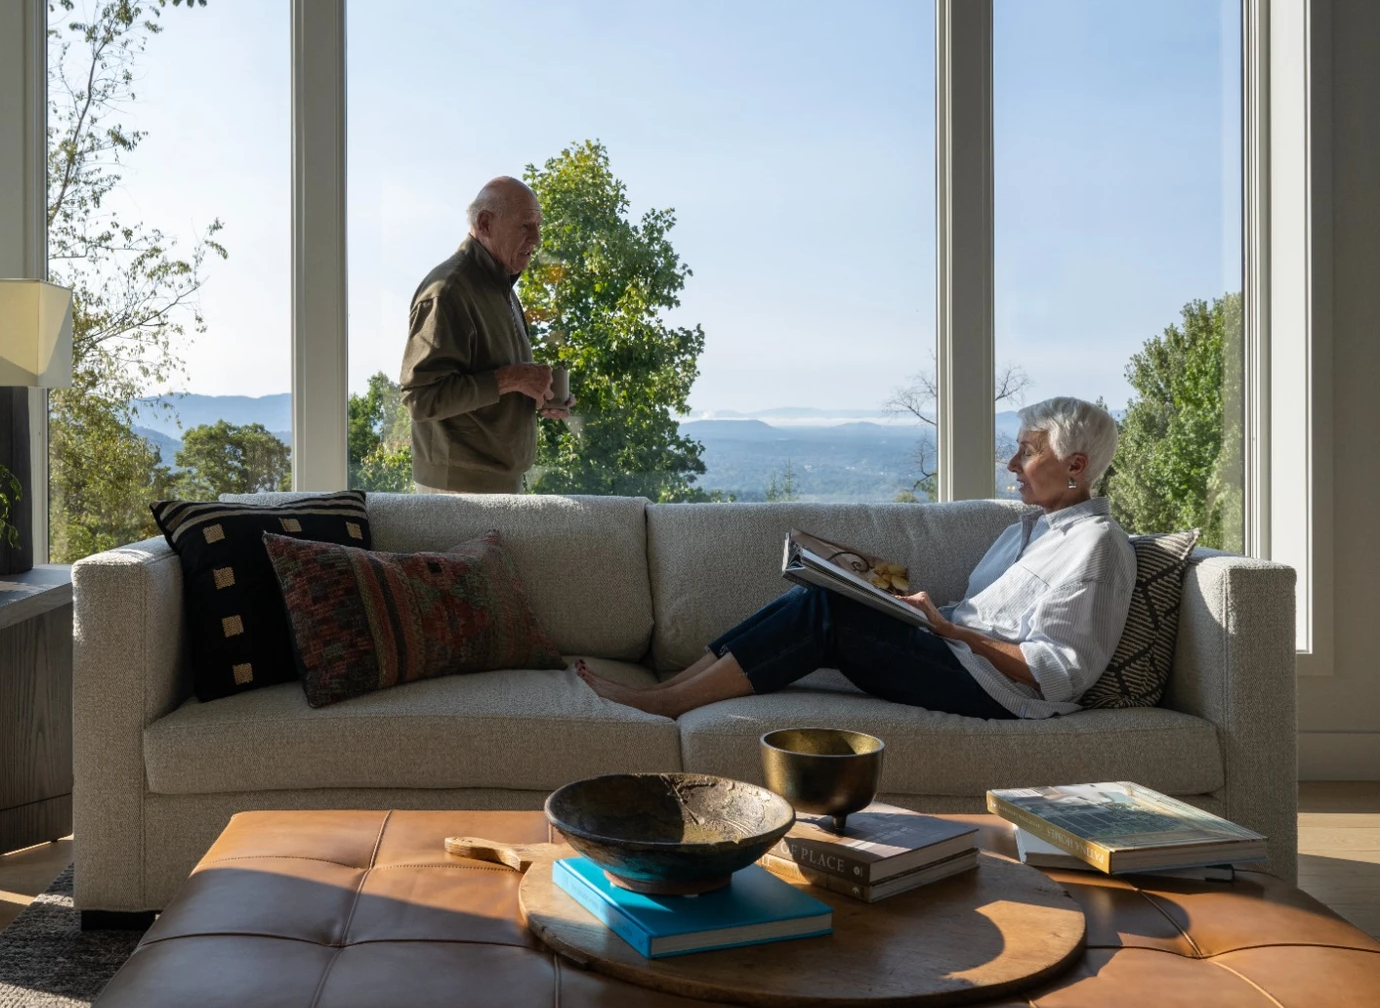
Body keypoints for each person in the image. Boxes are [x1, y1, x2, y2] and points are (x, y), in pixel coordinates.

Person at [579, 396, 1134, 721]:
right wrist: (900, 603)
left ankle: (665, 705)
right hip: (955, 653)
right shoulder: (1028, 530)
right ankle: (665, 692)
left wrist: (950, 631)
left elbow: (1059, 674)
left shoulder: (1097, 547)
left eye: (1029, 450)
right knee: (822, 591)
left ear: (1076, 466)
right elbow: (977, 615)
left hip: (998, 694)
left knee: (828, 616)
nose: (1013, 464)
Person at [399, 177, 572, 494]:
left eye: (538, 226)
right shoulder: (447, 291)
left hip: (496, 486)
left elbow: (488, 387)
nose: (537, 237)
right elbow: (420, 398)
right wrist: (513, 378)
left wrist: (537, 393)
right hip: (460, 494)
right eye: (526, 226)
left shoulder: (500, 288)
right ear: (485, 223)